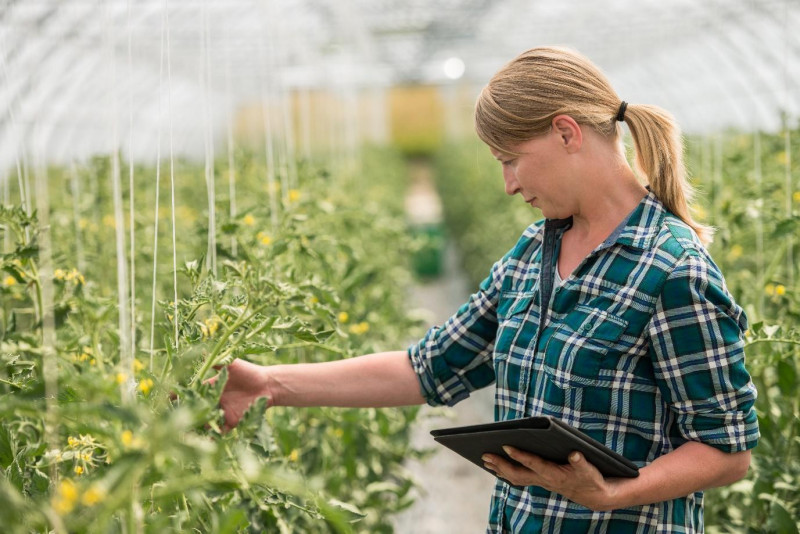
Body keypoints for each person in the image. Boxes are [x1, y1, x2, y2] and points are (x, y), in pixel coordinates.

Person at [211, 46, 759, 533]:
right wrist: (268, 384)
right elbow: (429, 366)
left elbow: (726, 450)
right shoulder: (533, 254)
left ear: (567, 133)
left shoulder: (671, 269)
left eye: (511, 160)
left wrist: (614, 494)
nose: (509, 184)